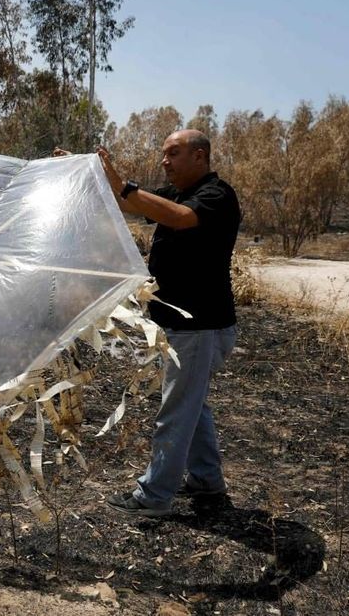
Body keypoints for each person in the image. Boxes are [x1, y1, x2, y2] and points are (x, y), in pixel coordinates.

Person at [94, 129, 241, 517]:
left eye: (173, 153)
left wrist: (124, 186)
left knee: (176, 412)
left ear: (199, 156)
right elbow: (136, 204)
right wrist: (86, 172)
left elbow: (176, 218)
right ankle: (206, 480)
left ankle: (153, 495)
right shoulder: (179, 192)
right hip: (184, 327)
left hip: (202, 327)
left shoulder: (216, 196)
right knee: (192, 405)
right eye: (163, 153)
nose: (165, 161)